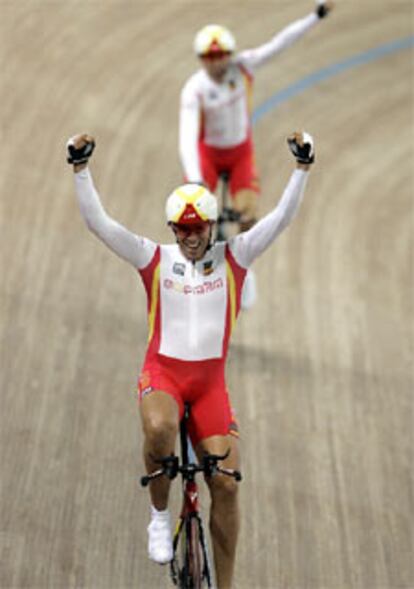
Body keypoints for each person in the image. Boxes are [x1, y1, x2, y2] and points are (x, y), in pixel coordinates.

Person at [66, 130, 315, 589]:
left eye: (198, 228)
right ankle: (159, 517)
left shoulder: (236, 255)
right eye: (182, 230)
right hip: (164, 375)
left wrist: (301, 170)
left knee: (226, 483)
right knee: (159, 429)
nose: (191, 238)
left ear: (211, 226)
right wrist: (81, 171)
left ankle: (226, 583)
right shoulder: (154, 258)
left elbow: (280, 219)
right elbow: (100, 224)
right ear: (172, 230)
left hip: (209, 387)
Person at [179, 1, 333, 309]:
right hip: (208, 155)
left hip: (239, 155)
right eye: (209, 58)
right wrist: (196, 180)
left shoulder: (244, 66)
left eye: (221, 55)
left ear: (230, 54)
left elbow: (280, 43)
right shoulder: (194, 89)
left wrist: (314, 17)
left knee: (248, 216)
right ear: (200, 60)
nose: (216, 63)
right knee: (191, 217)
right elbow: (186, 136)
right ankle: (193, 273)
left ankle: (245, 271)